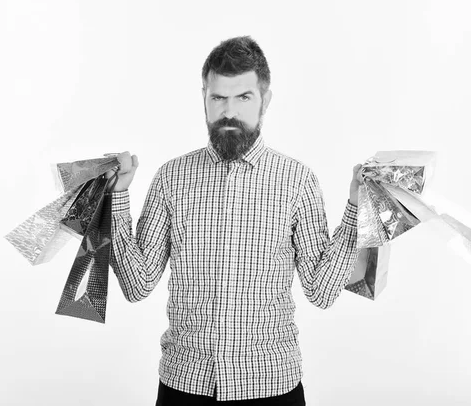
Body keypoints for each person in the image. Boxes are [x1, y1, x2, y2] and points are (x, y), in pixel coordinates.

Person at [105, 36, 362, 405]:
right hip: (184, 385)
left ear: (265, 100)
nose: (229, 112)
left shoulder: (296, 180)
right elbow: (137, 285)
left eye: (243, 97)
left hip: (270, 386)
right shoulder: (171, 177)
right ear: (204, 98)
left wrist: (355, 208)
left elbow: (321, 292)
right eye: (218, 98)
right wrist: (116, 197)